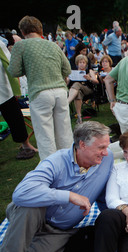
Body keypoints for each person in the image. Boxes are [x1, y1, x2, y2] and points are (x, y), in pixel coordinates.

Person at [0, 121, 114, 252]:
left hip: (59, 230)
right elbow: (21, 193)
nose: (106, 152)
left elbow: (103, 194)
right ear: (82, 145)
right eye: (101, 147)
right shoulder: (57, 161)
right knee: (29, 205)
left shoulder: (106, 159)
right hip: (35, 215)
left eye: (107, 147)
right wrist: (68, 196)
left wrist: (115, 220)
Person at [8, 16, 73, 160]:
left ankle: (50, 171)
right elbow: (67, 69)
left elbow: (14, 71)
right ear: (40, 29)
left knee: (45, 137)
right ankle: (70, 165)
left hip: (40, 92)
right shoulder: (53, 45)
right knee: (65, 134)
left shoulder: (21, 46)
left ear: (22, 31)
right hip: (60, 92)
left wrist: (28, 68)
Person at [0, 40, 37, 160]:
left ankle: (26, 145)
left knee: (15, 118)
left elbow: (9, 64)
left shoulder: (0, 44)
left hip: (4, 90)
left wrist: (17, 89)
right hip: (5, 90)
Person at [67, 54, 100, 124]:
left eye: (83, 62)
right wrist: (68, 78)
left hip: (87, 89)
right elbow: (67, 83)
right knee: (78, 94)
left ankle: (67, 102)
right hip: (77, 91)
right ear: (77, 64)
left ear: (86, 64)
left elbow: (96, 82)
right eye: (80, 62)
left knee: (76, 84)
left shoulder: (89, 71)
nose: (82, 64)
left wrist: (90, 78)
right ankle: (79, 117)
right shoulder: (73, 72)